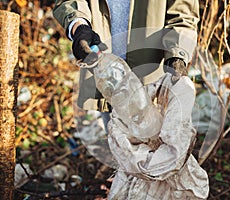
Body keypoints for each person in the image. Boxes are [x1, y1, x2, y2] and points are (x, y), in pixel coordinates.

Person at [53, 0, 209, 199]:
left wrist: (177, 56)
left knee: (162, 156)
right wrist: (78, 25)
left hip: (154, 78)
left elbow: (182, 13)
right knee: (127, 159)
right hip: (107, 76)